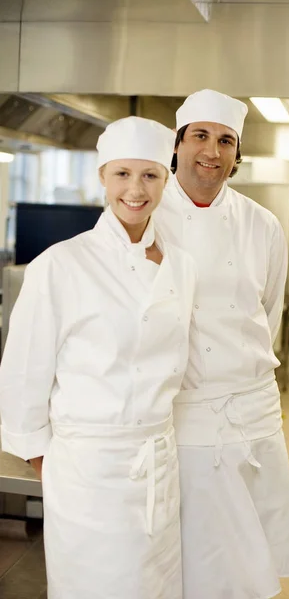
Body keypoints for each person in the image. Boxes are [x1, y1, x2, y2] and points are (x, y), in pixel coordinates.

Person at [0, 116, 197, 599]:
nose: (136, 189)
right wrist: (49, 461)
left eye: (150, 174)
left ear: (167, 180)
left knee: (157, 585)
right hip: (87, 470)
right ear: (103, 178)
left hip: (157, 462)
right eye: (123, 174)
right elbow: (24, 371)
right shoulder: (61, 264)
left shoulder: (182, 266)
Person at [154, 89, 289, 599]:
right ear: (176, 145)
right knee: (199, 557)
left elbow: (269, 315)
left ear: (236, 154)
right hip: (186, 415)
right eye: (200, 136)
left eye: (225, 140)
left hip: (255, 409)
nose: (211, 152)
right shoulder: (143, 219)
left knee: (252, 555)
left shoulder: (263, 224)